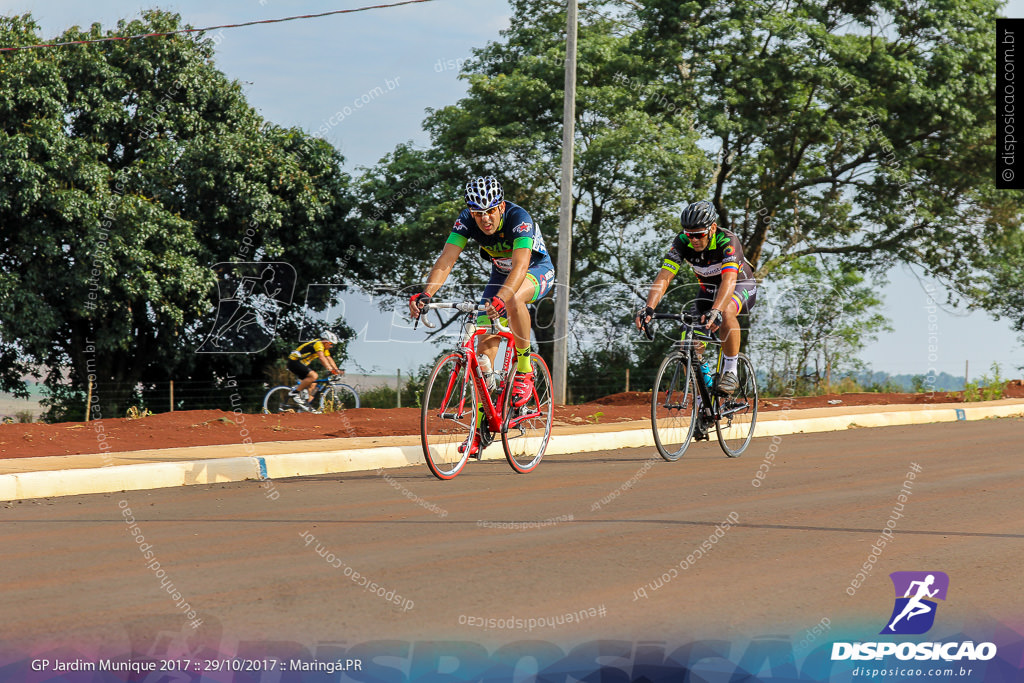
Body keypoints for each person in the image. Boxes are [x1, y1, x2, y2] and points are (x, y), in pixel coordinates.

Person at [409, 176, 555, 454]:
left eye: (490, 211)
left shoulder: (519, 218)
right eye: (478, 213)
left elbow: (521, 265)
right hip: (500, 275)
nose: (485, 219)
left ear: (501, 207)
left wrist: (502, 298)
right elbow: (446, 260)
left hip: (535, 271)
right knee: (482, 359)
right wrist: (426, 293)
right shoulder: (465, 221)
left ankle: (524, 368)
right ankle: (481, 429)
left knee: (512, 300)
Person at [635, 200, 757, 394]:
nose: (693, 240)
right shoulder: (682, 242)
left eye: (699, 234)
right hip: (708, 291)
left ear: (712, 228)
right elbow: (665, 276)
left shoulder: (728, 241)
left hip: (739, 285)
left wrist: (716, 310)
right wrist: (648, 307)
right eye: (689, 235)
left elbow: (728, 281)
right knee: (687, 346)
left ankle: (731, 371)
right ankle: (702, 402)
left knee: (726, 311)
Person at [286, 330, 343, 409]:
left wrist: (336, 370)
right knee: (314, 376)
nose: (331, 346)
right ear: (325, 341)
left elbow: (329, 358)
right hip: (294, 362)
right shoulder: (318, 344)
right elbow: (322, 358)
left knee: (313, 384)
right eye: (331, 344)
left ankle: (305, 407)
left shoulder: (324, 348)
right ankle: (295, 393)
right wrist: (330, 369)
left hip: (300, 363)